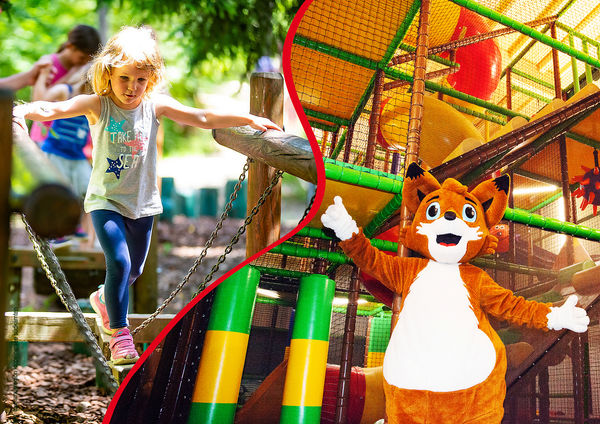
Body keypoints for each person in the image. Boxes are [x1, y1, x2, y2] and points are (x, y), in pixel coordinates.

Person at [13, 26, 282, 365]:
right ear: (109, 74)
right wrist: (23, 111)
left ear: (151, 79)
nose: (132, 87)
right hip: (106, 201)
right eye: (125, 78)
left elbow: (200, 117)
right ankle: (120, 337)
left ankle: (102, 300)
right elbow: (55, 109)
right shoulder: (99, 104)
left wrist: (248, 117)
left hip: (143, 204)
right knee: (120, 262)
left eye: (140, 80)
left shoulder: (155, 107)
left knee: (133, 271)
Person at [33, 64, 96, 247]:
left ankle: (74, 228)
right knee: (61, 192)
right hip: (56, 152)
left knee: (89, 190)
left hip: (77, 156)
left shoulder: (95, 102)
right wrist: (43, 75)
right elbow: (40, 101)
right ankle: (56, 233)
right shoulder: (65, 92)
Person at [30, 24, 101, 143]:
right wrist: (68, 76)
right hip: (44, 135)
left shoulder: (81, 71)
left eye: (88, 60)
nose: (84, 63)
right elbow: (38, 101)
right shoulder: (49, 64)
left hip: (67, 138)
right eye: (82, 57)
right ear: (70, 46)